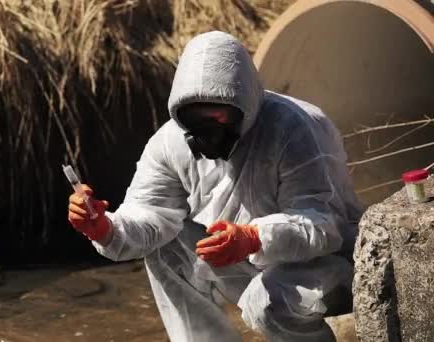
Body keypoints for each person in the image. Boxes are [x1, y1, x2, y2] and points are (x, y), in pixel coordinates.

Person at [67, 31, 364, 342]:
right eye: (196, 118)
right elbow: (147, 214)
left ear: (245, 104)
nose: (207, 132)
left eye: (219, 116)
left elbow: (323, 226)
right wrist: (104, 228)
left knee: (268, 301)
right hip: (246, 260)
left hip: (329, 266)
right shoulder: (170, 142)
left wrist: (253, 238)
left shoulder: (295, 128)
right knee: (166, 246)